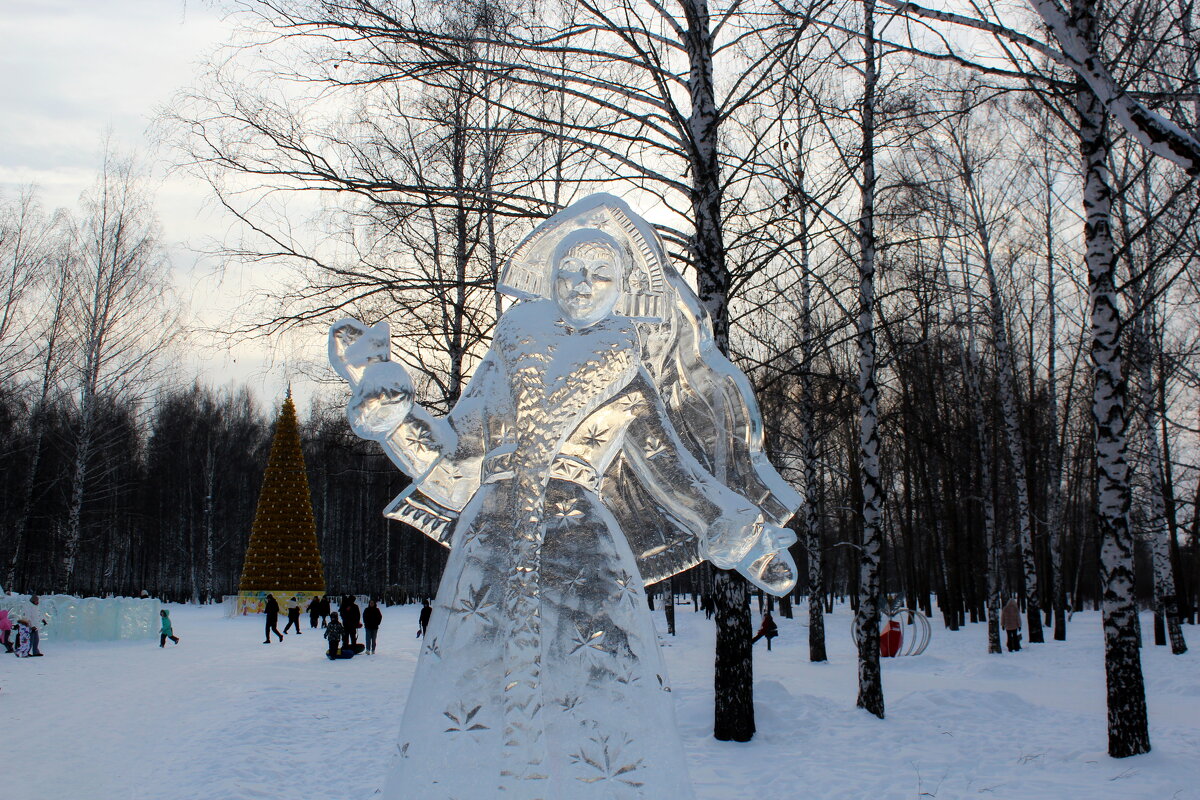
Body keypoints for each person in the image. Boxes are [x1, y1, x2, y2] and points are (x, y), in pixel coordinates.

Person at [330, 195, 800, 797]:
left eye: (599, 273)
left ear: (622, 287)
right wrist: (395, 418)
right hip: (493, 535)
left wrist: (739, 529)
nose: (581, 283)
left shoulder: (630, 368)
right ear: (549, 279)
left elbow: (670, 471)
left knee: (596, 687)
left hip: (582, 540)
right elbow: (456, 450)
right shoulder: (510, 346)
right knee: (473, 683)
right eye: (569, 270)